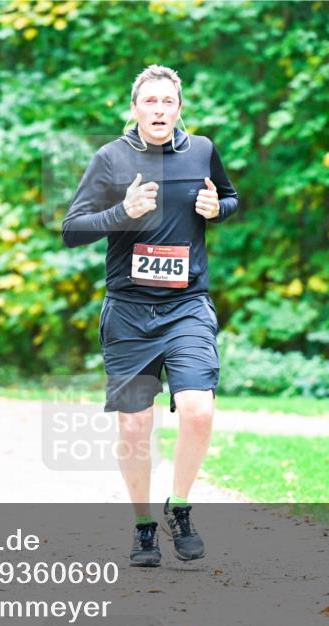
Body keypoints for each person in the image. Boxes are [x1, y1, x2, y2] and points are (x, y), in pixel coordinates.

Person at [61, 65, 239, 567]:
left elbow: (229, 198)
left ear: (179, 108)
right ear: (134, 109)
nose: (159, 110)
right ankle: (143, 527)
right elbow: (72, 229)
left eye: (168, 102)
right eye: (150, 102)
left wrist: (218, 209)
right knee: (135, 429)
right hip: (129, 312)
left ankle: (179, 507)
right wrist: (124, 212)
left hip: (187, 307)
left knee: (198, 409)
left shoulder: (201, 150)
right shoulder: (111, 158)